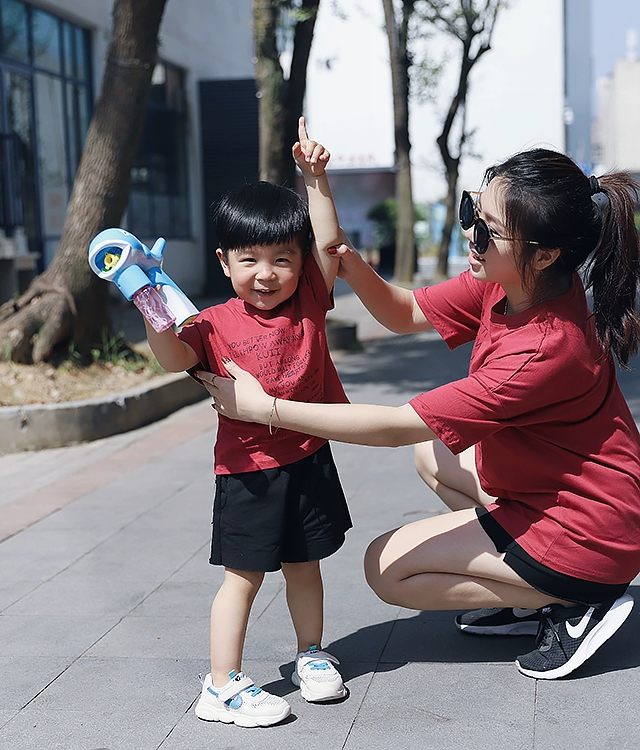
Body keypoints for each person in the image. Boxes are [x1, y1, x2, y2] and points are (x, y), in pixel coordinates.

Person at [199, 148, 640, 681]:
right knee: (434, 454)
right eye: (472, 211)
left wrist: (267, 409)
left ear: (545, 253)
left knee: (386, 569)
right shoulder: (510, 279)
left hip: (592, 527)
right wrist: (349, 260)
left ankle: (573, 598)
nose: (471, 233)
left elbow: (394, 425)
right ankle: (532, 589)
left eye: (488, 229)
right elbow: (403, 312)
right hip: (571, 493)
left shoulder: (543, 350)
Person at [141, 119, 351, 727]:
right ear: (224, 262)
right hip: (249, 474)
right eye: (249, 260)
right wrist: (155, 315)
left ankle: (311, 655)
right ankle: (222, 684)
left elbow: (328, 243)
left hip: (308, 456)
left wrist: (315, 177)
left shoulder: (311, 296)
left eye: (282, 259)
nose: (267, 274)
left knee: (305, 566)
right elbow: (176, 358)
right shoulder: (209, 324)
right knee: (244, 577)